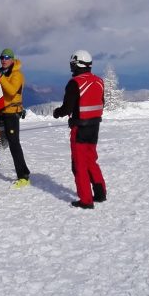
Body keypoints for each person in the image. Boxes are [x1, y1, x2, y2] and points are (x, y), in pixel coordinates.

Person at [52, 50, 107, 209]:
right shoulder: (99, 81)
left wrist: (57, 113)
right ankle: (100, 193)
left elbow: (67, 108)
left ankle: (86, 200)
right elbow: (100, 102)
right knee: (91, 160)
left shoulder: (75, 83)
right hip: (94, 127)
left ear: (76, 64)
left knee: (79, 165)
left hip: (80, 128)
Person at [0, 47, 30, 189]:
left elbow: (11, 91)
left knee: (14, 144)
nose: (3, 60)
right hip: (2, 111)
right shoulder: (5, 71)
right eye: (2, 57)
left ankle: (23, 176)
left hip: (11, 113)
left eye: (6, 57)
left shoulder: (17, 74)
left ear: (12, 59)